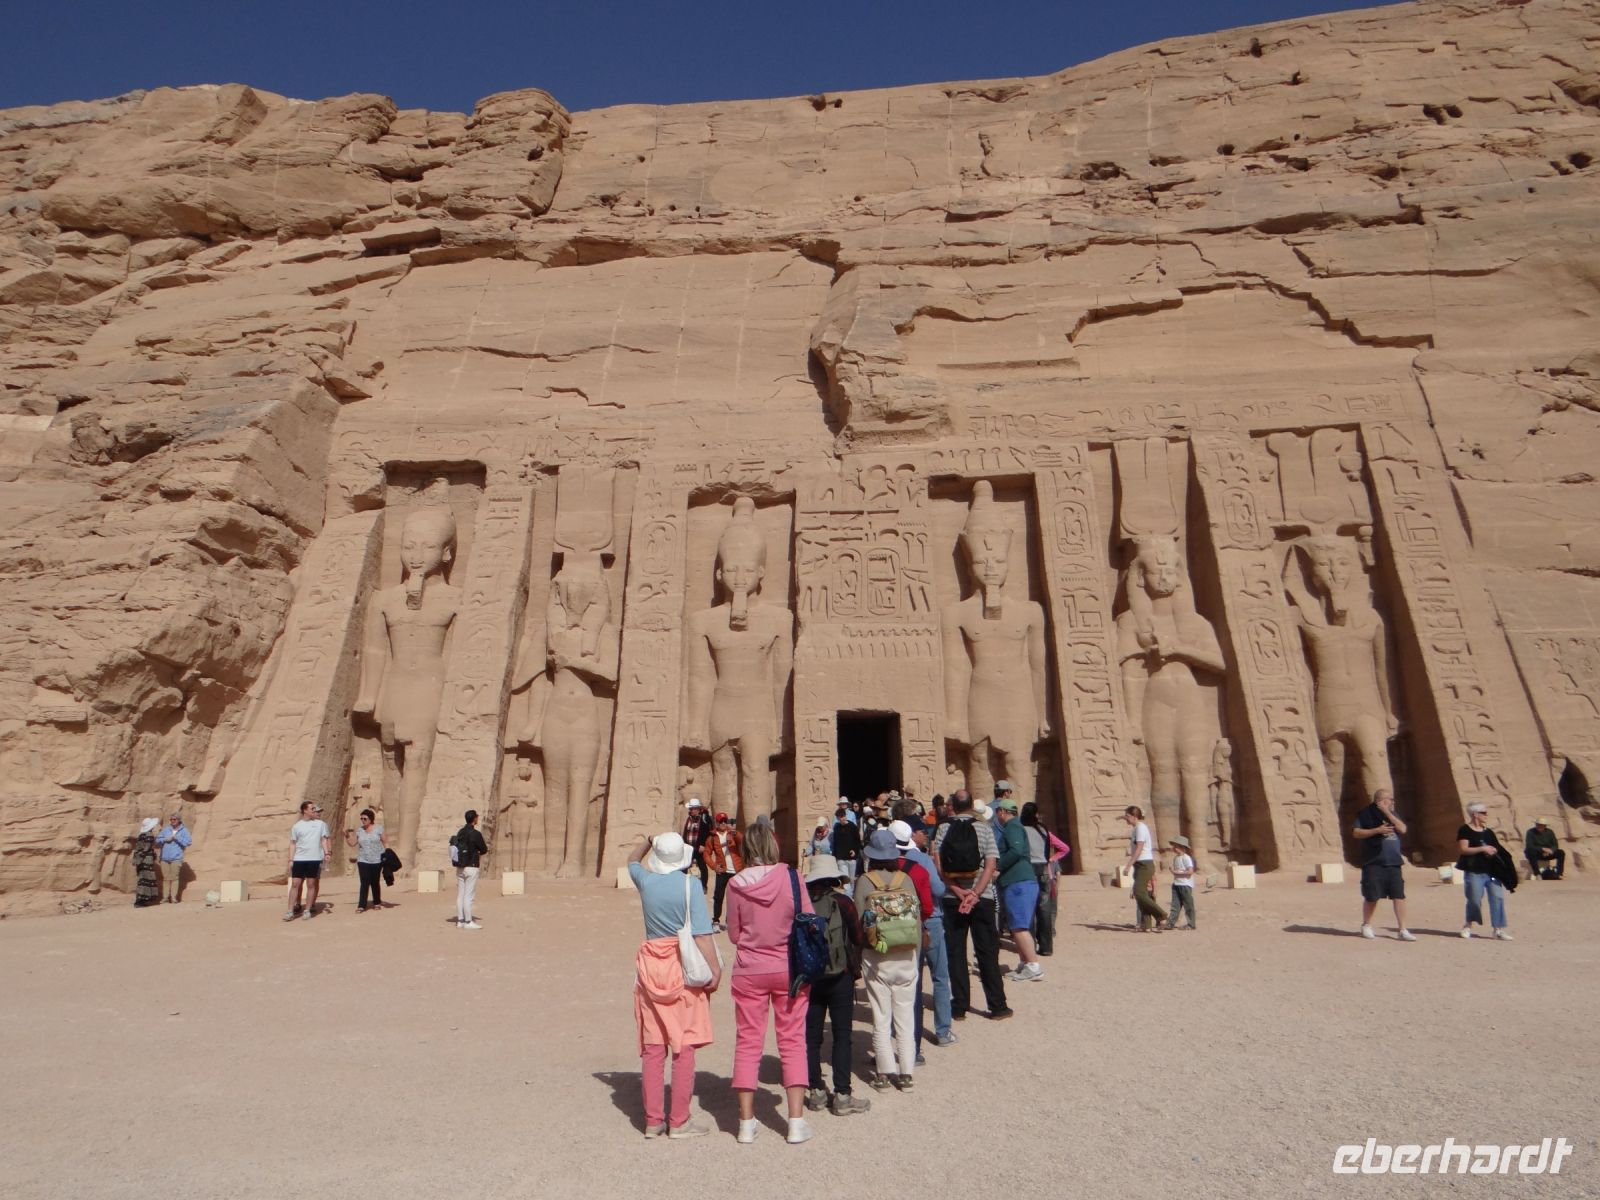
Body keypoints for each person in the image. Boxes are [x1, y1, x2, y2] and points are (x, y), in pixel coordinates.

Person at [725, 817, 815, 1145]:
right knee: (792, 1040)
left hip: (750, 968)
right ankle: (794, 1121)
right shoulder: (792, 877)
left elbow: (734, 934)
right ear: (773, 844)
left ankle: (746, 1124)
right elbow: (808, 920)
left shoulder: (736, 885)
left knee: (748, 1042)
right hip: (788, 967)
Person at [628, 832, 720, 1138]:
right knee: (684, 1045)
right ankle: (679, 1120)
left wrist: (647, 841)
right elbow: (703, 935)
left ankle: (654, 1120)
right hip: (679, 964)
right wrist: (715, 969)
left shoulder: (645, 881)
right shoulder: (689, 884)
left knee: (654, 1047)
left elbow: (631, 860)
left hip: (651, 963)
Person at [855, 829, 932, 1090]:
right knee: (905, 1016)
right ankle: (907, 1072)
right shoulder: (906, 879)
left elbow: (858, 922)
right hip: (907, 954)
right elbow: (918, 920)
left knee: (881, 1016)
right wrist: (916, 955)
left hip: (878, 955)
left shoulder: (865, 881)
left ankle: (885, 1073)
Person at [931, 790, 1011, 1021]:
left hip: (952, 898)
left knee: (956, 953)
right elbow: (990, 864)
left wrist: (957, 890)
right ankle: (997, 1006)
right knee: (987, 951)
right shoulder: (984, 827)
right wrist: (975, 893)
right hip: (981, 898)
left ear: (953, 806)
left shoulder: (943, 828)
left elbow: (938, 866)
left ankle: (959, 1006)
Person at [801, 853, 870, 1117]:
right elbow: (857, 936)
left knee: (812, 1036)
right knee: (842, 1035)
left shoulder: (802, 904)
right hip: (840, 974)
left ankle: (816, 1091)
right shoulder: (843, 902)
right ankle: (842, 1094)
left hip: (811, 976)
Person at [891, 817, 953, 1050]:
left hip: (902, 925)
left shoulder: (888, 863)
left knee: (909, 982)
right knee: (939, 976)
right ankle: (943, 1031)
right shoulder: (922, 860)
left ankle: (909, 1041)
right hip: (931, 920)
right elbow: (938, 889)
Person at [1352, 788, 1415, 941]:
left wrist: (1388, 813)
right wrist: (1377, 830)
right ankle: (1366, 925)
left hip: (1393, 862)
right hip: (1374, 862)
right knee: (1372, 896)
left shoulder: (1393, 814)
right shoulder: (1365, 814)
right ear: (1380, 801)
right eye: (1390, 799)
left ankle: (1402, 929)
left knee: (1399, 896)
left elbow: (1403, 829)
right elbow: (1356, 833)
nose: (1393, 802)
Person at [994, 795, 1044, 980]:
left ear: (1003, 812)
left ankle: (1033, 965)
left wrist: (998, 867)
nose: (997, 816)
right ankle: (1025, 963)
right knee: (1019, 925)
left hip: (1018, 881)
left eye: (998, 812)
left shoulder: (1013, 827)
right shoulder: (1013, 827)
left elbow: (1015, 851)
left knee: (1019, 927)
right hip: (1019, 881)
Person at [1019, 801, 1069, 955]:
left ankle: (1030, 945)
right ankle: (1047, 947)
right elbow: (1064, 848)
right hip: (1044, 869)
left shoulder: (1021, 830)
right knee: (1044, 909)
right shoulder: (1044, 830)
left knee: (1028, 908)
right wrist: (1051, 859)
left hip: (1028, 868)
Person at [1457, 802, 1512, 940]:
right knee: (1474, 899)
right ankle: (1468, 925)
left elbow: (1496, 847)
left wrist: (1493, 851)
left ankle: (1498, 929)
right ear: (1475, 814)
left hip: (1492, 870)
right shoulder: (1465, 830)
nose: (1486, 815)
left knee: (1497, 897)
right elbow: (1463, 849)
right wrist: (1482, 849)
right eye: (1484, 812)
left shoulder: (1488, 832)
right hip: (1474, 870)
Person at [1122, 805, 1168, 932]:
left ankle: (1161, 915)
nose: (1125, 818)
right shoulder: (1136, 828)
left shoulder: (1141, 828)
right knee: (1142, 894)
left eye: (1127, 816)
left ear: (1134, 816)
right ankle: (1146, 924)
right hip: (1140, 863)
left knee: (1139, 892)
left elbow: (1140, 848)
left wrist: (1129, 864)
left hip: (1144, 863)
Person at [284, 802, 330, 922]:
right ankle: (290, 910)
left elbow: (324, 840)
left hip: (314, 858)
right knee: (295, 884)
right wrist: (290, 859)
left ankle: (307, 910)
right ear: (305, 810)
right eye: (312, 808)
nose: (314, 810)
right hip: (299, 858)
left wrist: (327, 853)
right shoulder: (297, 826)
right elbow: (293, 844)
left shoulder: (321, 824)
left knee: (311, 884)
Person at [703, 813, 744, 931]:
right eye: (721, 821)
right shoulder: (712, 837)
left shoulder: (732, 833)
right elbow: (707, 854)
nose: (723, 824)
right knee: (718, 896)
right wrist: (714, 866)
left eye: (725, 821)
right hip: (722, 870)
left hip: (735, 870)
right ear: (716, 823)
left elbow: (742, 840)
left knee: (733, 898)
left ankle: (729, 921)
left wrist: (734, 832)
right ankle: (716, 920)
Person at [345, 809, 388, 912]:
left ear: (371, 819)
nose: (363, 820)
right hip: (363, 859)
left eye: (365, 818)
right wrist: (346, 835)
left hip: (377, 859)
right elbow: (352, 843)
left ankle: (376, 902)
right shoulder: (360, 830)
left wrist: (387, 854)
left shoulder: (378, 829)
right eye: (361, 818)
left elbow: (385, 842)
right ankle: (361, 905)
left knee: (375, 882)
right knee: (364, 882)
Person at [452, 809, 488, 930]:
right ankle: (468, 922)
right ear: (474, 819)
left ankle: (460, 921)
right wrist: (476, 851)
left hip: (460, 867)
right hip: (471, 866)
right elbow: (484, 849)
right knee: (469, 896)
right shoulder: (475, 834)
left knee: (460, 895)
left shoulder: (460, 832)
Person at [154, 812, 191, 904]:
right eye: (171, 819)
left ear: (179, 820)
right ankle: (165, 898)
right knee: (166, 878)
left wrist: (178, 838)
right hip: (164, 858)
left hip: (176, 858)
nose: (172, 821)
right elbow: (157, 840)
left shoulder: (184, 831)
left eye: (174, 819)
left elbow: (188, 842)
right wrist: (165, 839)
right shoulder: (166, 829)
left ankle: (173, 897)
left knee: (174, 878)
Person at [1165, 836, 1197, 930]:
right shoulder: (1176, 858)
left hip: (1185, 885)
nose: (1174, 848)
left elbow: (1190, 872)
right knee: (1175, 905)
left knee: (1188, 905)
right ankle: (1170, 923)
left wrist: (1176, 873)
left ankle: (1191, 924)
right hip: (1176, 884)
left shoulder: (1186, 858)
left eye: (1176, 846)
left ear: (1182, 847)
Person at [681, 798, 713, 890]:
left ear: (698, 809)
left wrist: (703, 844)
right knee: (685, 866)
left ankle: (704, 886)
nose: (691, 810)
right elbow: (686, 832)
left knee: (702, 866)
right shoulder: (689, 819)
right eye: (690, 809)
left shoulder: (704, 818)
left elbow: (706, 833)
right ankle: (683, 884)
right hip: (689, 847)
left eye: (692, 809)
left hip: (699, 847)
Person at [133, 818, 161, 908]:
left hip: (140, 859)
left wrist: (137, 859)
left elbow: (139, 848)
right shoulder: (149, 835)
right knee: (146, 879)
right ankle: (140, 901)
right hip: (146, 860)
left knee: (142, 879)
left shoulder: (141, 835)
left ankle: (140, 899)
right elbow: (147, 848)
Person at [831, 803, 862, 882]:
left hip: (851, 858)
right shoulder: (837, 828)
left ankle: (850, 894)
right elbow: (835, 842)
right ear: (838, 818)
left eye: (844, 816)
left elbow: (857, 840)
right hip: (840, 858)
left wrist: (854, 850)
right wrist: (835, 855)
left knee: (851, 880)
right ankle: (847, 894)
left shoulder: (852, 827)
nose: (843, 818)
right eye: (840, 817)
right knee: (845, 880)